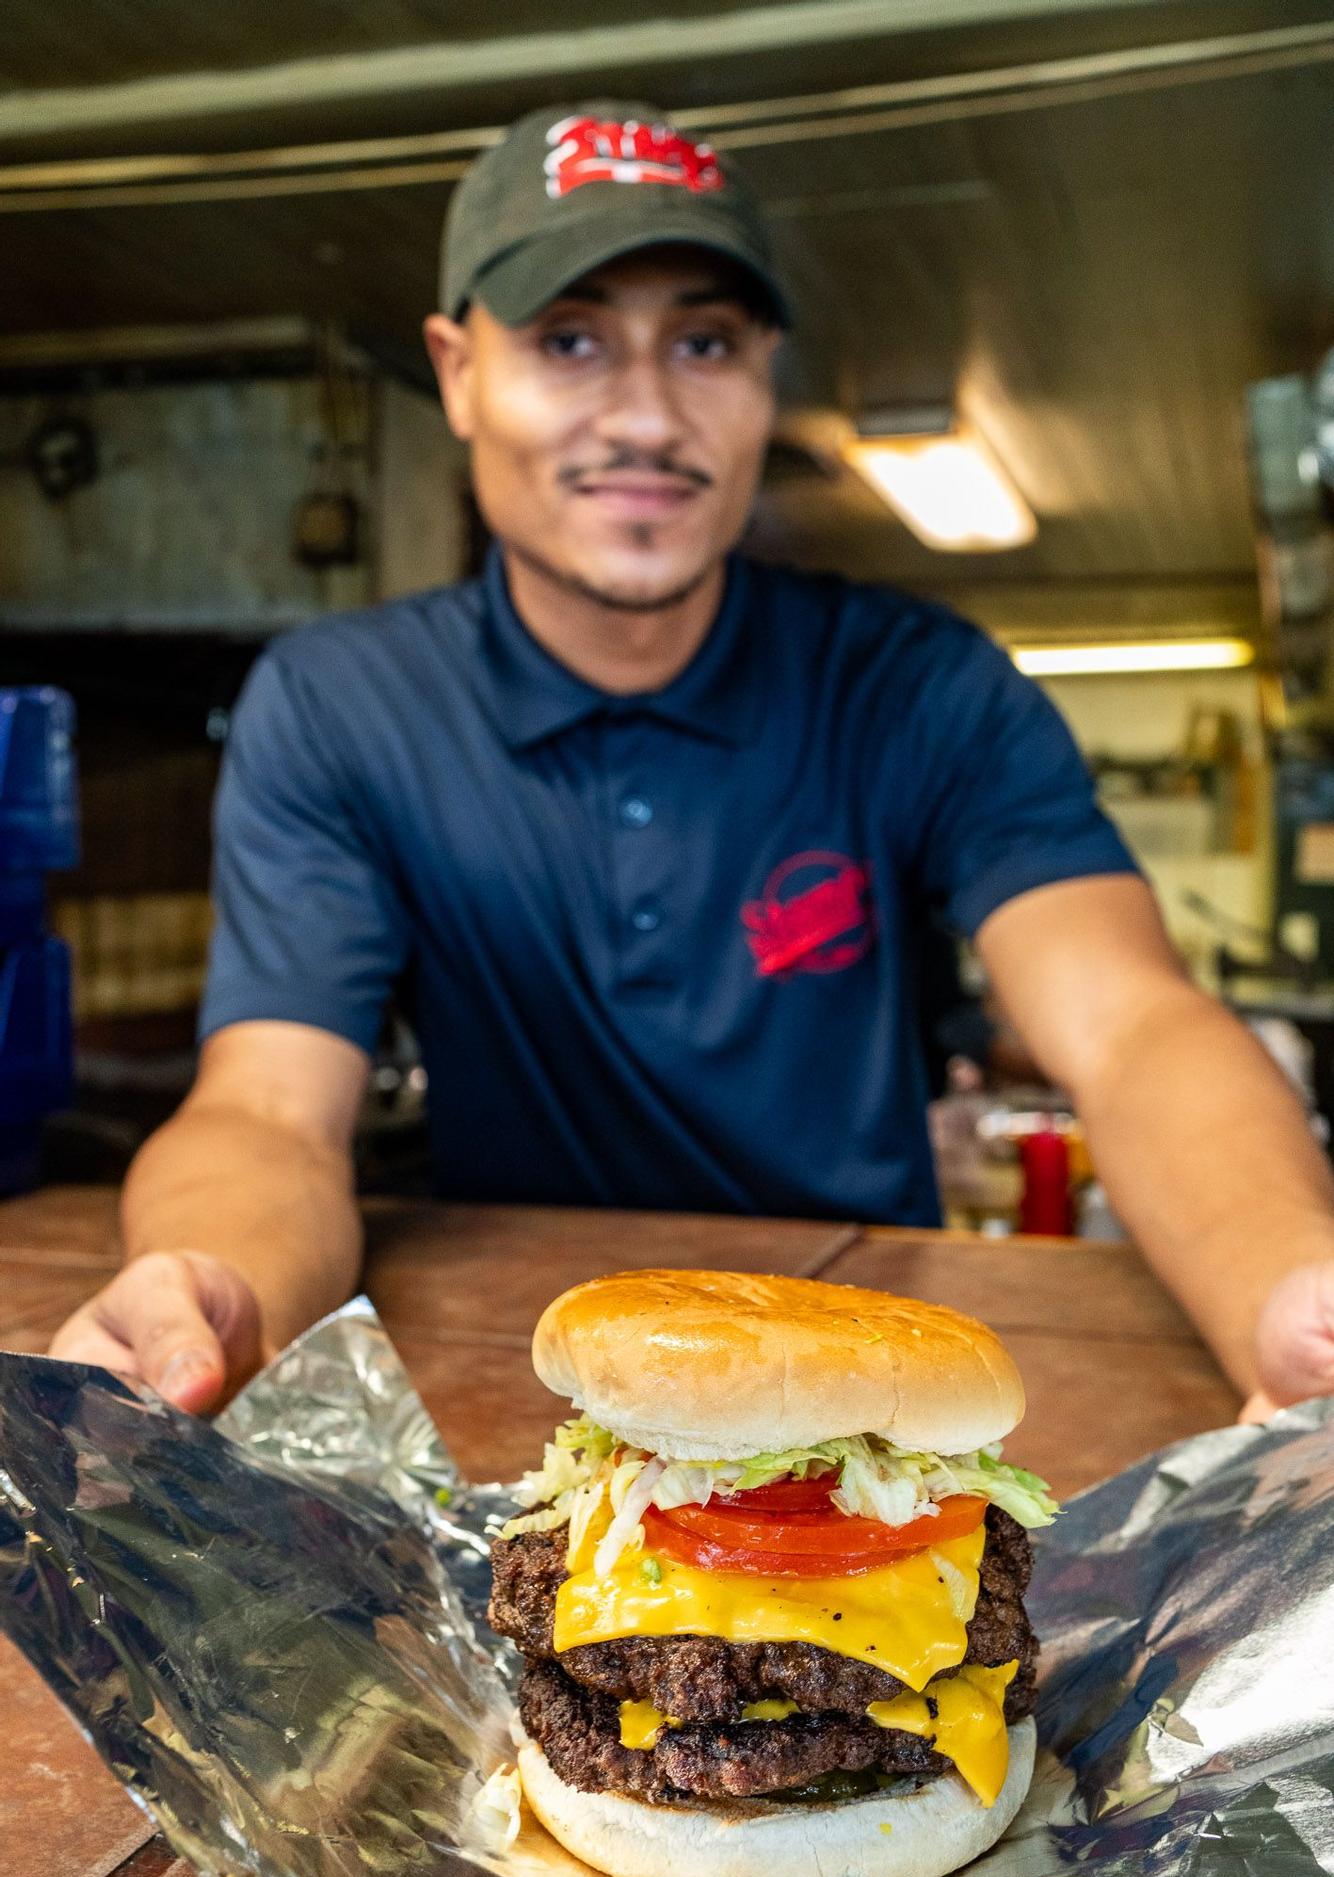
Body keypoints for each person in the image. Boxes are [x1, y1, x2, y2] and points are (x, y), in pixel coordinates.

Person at [50, 101, 1334, 1424]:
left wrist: (1289, 1293)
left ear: (765, 370)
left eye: (703, 343)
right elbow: (268, 1110)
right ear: (456, 371)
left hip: (861, 1371)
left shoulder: (918, 685)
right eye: (569, 341)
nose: (648, 415)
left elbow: (1128, 1027)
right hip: (509, 1365)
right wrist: (211, 1282)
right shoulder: (339, 706)